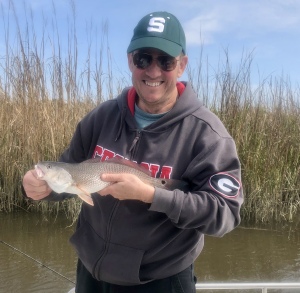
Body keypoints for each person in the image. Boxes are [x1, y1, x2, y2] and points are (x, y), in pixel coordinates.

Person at [23, 11, 243, 293]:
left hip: (160, 280)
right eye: (143, 59)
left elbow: (225, 214)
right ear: (130, 60)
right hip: (92, 273)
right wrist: (41, 186)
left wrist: (152, 195)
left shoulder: (207, 135)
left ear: (182, 65)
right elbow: (69, 173)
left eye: (165, 61)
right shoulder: (101, 117)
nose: (153, 71)